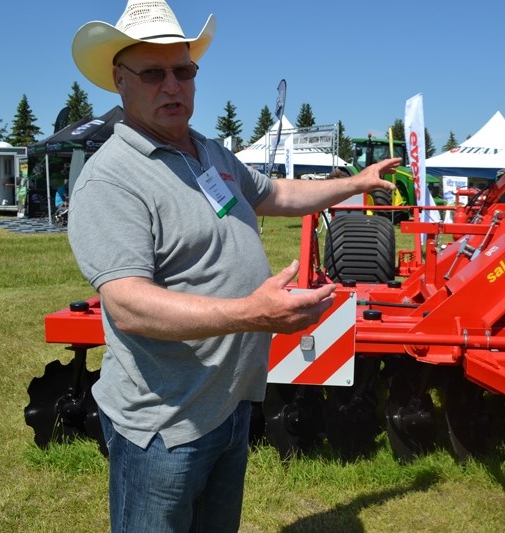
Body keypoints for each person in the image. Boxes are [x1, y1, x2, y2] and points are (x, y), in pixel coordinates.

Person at [68, 1, 399, 531]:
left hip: (228, 405)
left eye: (184, 70)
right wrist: (251, 313)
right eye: (153, 73)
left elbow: (279, 192)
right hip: (163, 425)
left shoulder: (209, 152)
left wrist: (355, 184)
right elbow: (127, 305)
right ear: (120, 81)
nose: (173, 86)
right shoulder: (113, 178)